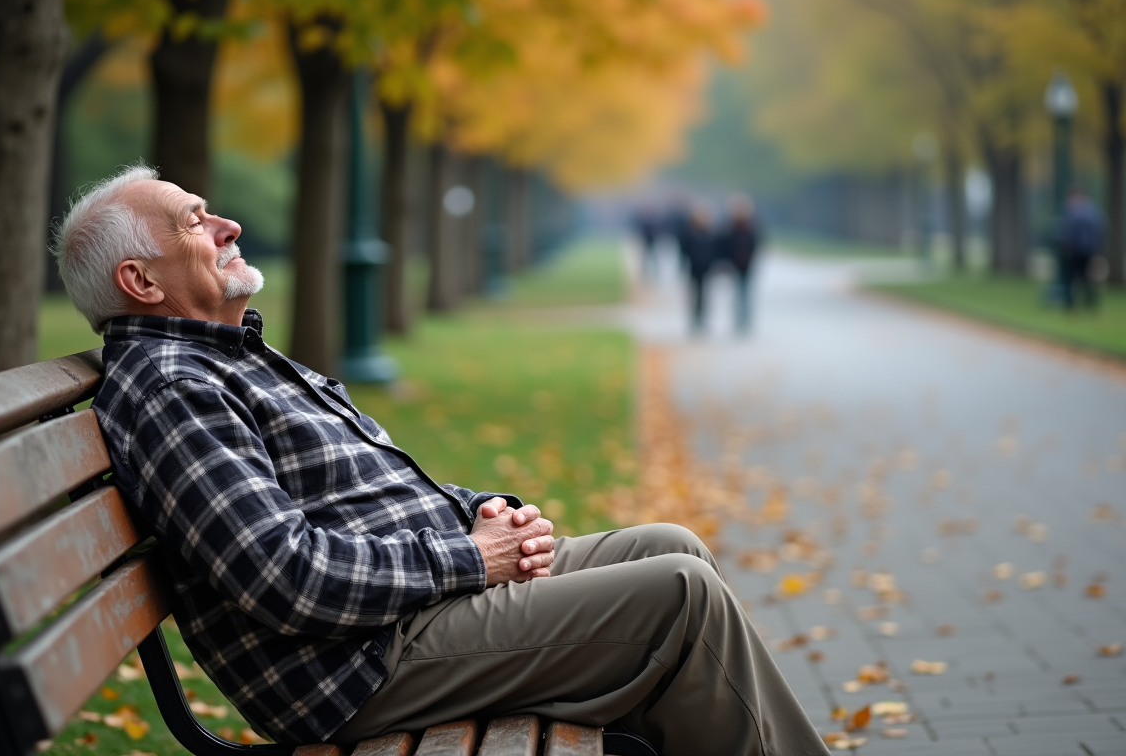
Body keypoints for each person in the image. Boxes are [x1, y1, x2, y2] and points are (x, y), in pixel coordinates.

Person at [52, 165, 829, 756]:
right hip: (355, 666)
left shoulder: (229, 357)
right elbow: (284, 578)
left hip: (403, 618)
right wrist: (469, 557)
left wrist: (478, 511)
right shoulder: (171, 387)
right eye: (195, 222)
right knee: (679, 595)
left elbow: (372, 489)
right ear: (141, 280)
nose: (227, 225)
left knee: (670, 545)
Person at [719, 195, 762, 334]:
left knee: (746, 292)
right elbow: (725, 245)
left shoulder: (752, 226)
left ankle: (746, 318)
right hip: (735, 264)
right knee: (737, 292)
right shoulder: (730, 226)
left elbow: (756, 243)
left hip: (747, 264)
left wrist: (751, 257)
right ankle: (738, 318)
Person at [1055, 188, 1103, 310]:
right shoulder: (1093, 211)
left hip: (1078, 251)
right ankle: (1083, 303)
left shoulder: (1077, 211)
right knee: (1082, 278)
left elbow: (1068, 232)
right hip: (1083, 250)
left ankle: (1077, 303)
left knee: (1076, 278)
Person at [680, 207, 719, 333]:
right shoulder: (690, 233)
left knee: (705, 295)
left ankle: (703, 319)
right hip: (694, 268)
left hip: (706, 268)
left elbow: (715, 251)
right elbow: (684, 250)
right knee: (695, 295)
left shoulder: (711, 233)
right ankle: (695, 319)